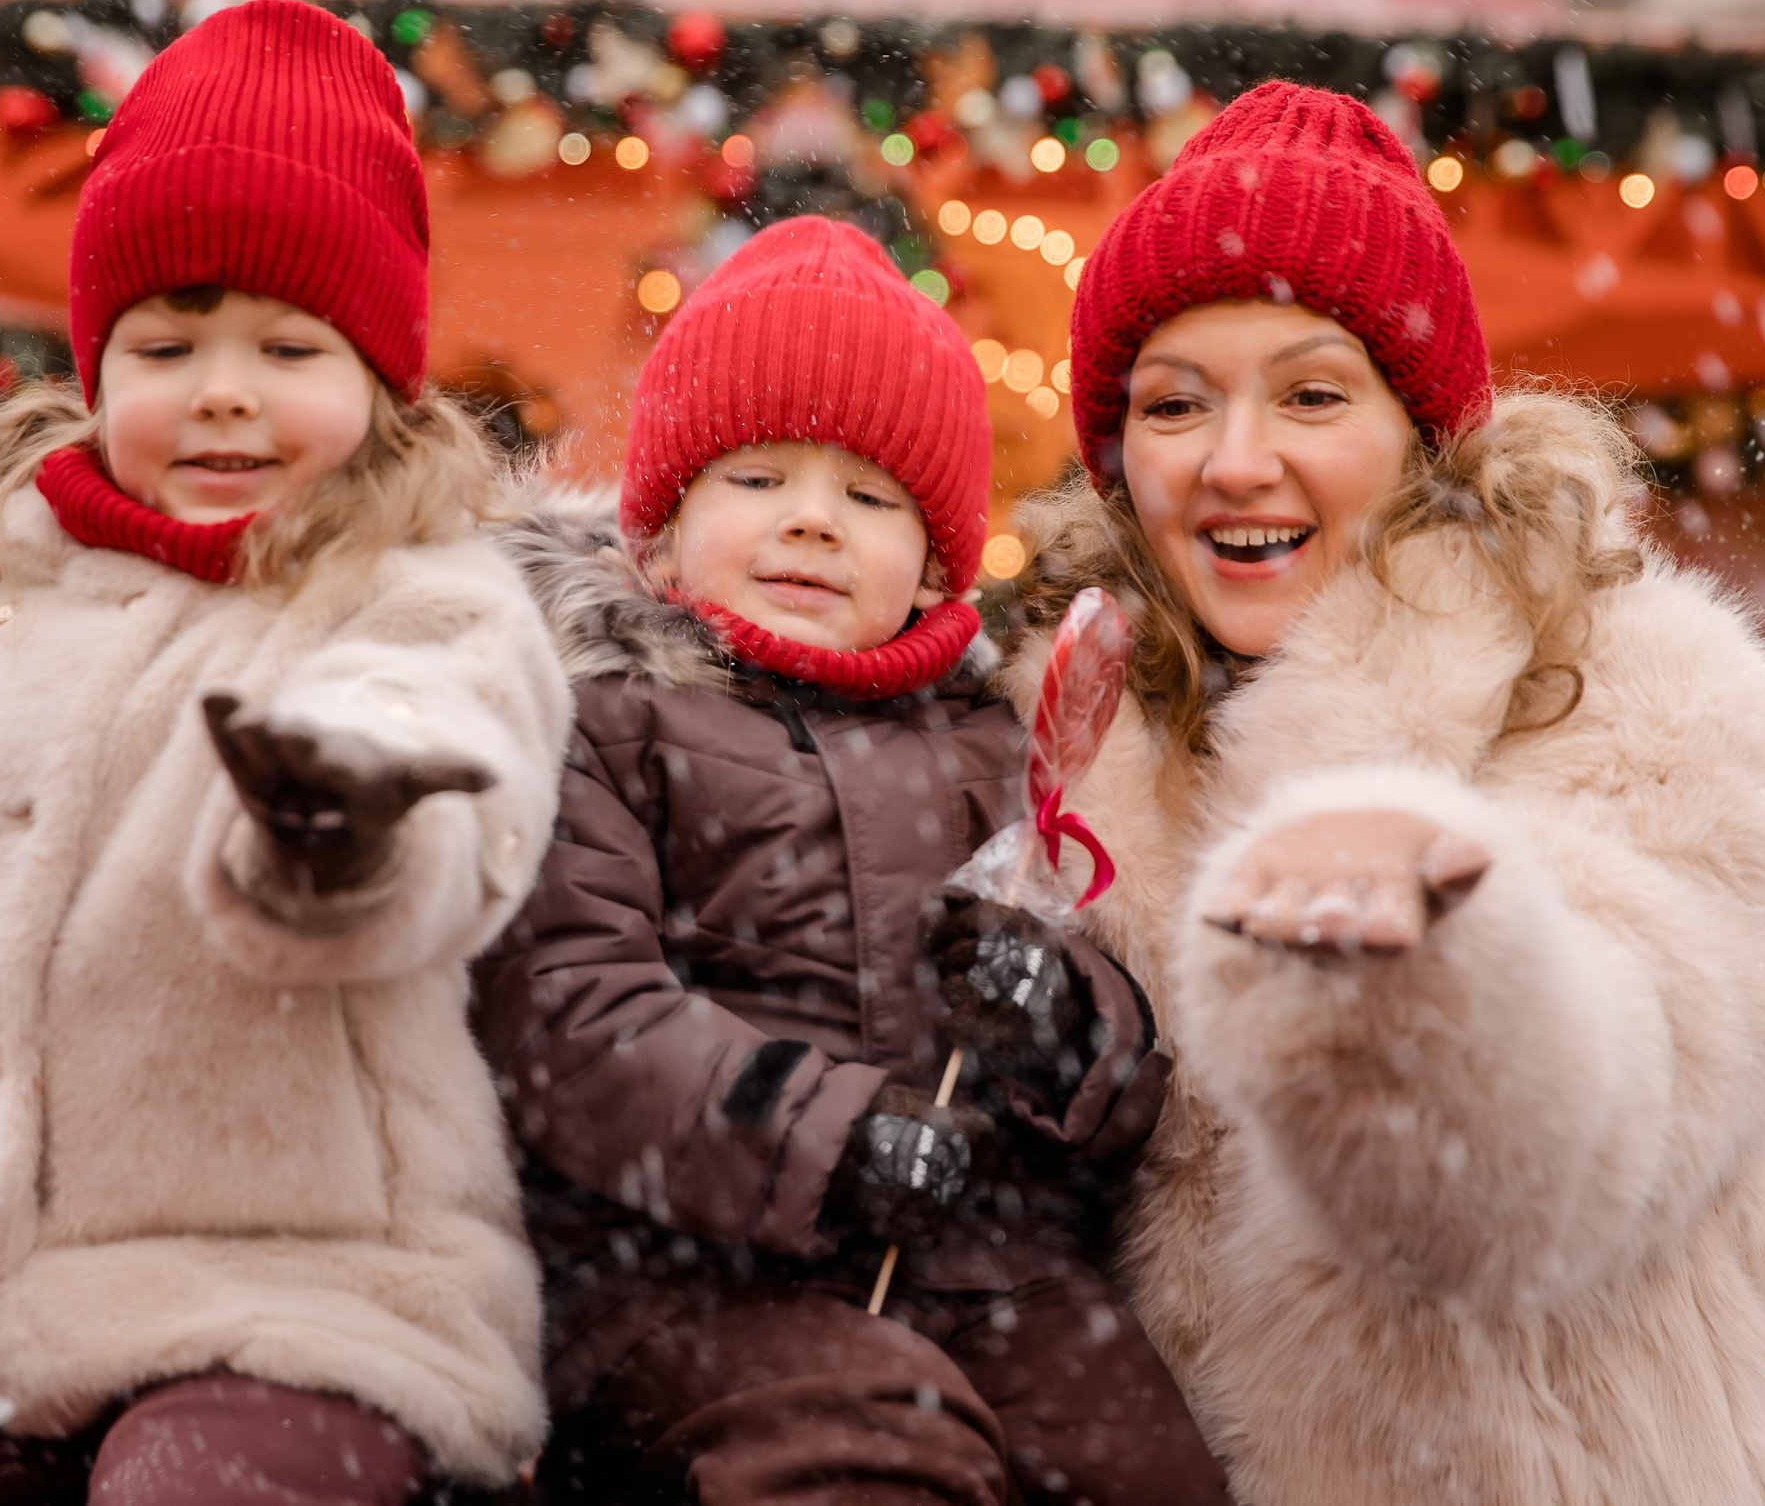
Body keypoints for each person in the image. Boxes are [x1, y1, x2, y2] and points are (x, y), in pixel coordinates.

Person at [0, 0, 567, 1506]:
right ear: (96, 361)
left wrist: (335, 817)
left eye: (286, 345)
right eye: (168, 342)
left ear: (383, 381)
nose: (221, 387)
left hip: (303, 1302)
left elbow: (451, 762)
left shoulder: (414, 595)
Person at [1007, 81, 1765, 1502]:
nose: (1233, 463)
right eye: (1173, 404)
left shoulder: (1648, 682)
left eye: (1312, 394)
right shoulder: (1075, 727)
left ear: (1423, 431)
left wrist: (1437, 967)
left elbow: (1605, 1119)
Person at [481, 216, 1234, 1506]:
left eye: (869, 497)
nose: (815, 524)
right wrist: (832, 1140)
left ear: (937, 565)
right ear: (657, 531)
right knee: (866, 1447)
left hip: (991, 1265)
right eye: (759, 481)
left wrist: (1059, 1022)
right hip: (692, 1274)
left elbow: (1120, 1067)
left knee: (1139, 1464)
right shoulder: (605, 724)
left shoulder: (998, 748)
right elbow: (573, 1014)